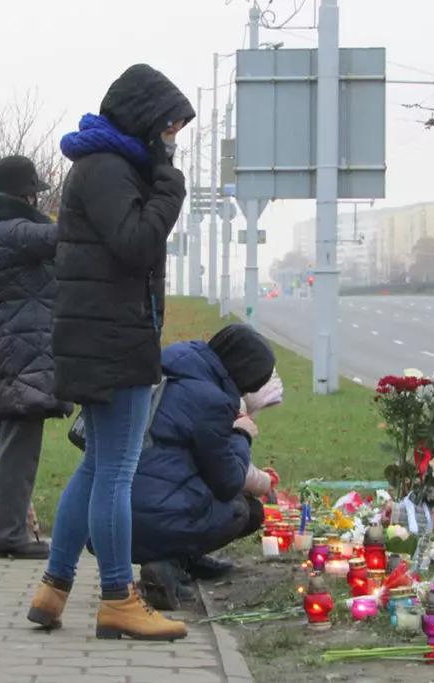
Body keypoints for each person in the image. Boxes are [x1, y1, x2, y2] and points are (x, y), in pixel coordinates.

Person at [26, 63, 193, 642]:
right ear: (143, 120)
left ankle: (53, 589)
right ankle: (119, 597)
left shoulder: (105, 164)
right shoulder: (108, 169)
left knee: (98, 464)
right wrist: (170, 184)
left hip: (103, 334)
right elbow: (137, 242)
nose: (171, 140)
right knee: (117, 470)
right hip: (113, 338)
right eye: (168, 128)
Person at [0, 155, 73, 560]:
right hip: (21, 351)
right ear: (23, 195)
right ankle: (7, 534)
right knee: (19, 446)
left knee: (11, 442)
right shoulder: (12, 231)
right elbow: (63, 237)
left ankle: (5, 528)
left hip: (10, 350)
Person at [131, 325, 277, 610]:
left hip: (115, 516)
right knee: (244, 510)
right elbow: (228, 482)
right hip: (151, 520)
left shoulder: (177, 367)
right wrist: (242, 435)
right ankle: (169, 566)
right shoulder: (211, 400)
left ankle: (181, 561)